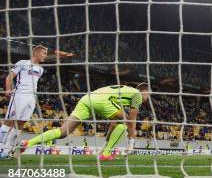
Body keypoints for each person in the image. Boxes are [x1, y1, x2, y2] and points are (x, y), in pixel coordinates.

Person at [20, 83, 149, 161]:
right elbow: (132, 121)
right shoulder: (137, 95)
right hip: (103, 100)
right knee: (125, 121)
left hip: (88, 98)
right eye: (148, 95)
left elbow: (114, 123)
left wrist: (105, 143)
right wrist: (131, 143)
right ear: (145, 92)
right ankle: (106, 154)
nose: (147, 98)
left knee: (63, 131)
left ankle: (28, 143)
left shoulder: (125, 91)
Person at [0, 45, 48, 158]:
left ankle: (6, 151)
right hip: (19, 96)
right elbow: (9, 77)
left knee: (20, 124)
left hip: (31, 98)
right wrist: (8, 89)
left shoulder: (41, 69)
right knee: (9, 122)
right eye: (44, 53)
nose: (45, 56)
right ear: (36, 53)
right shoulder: (23, 62)